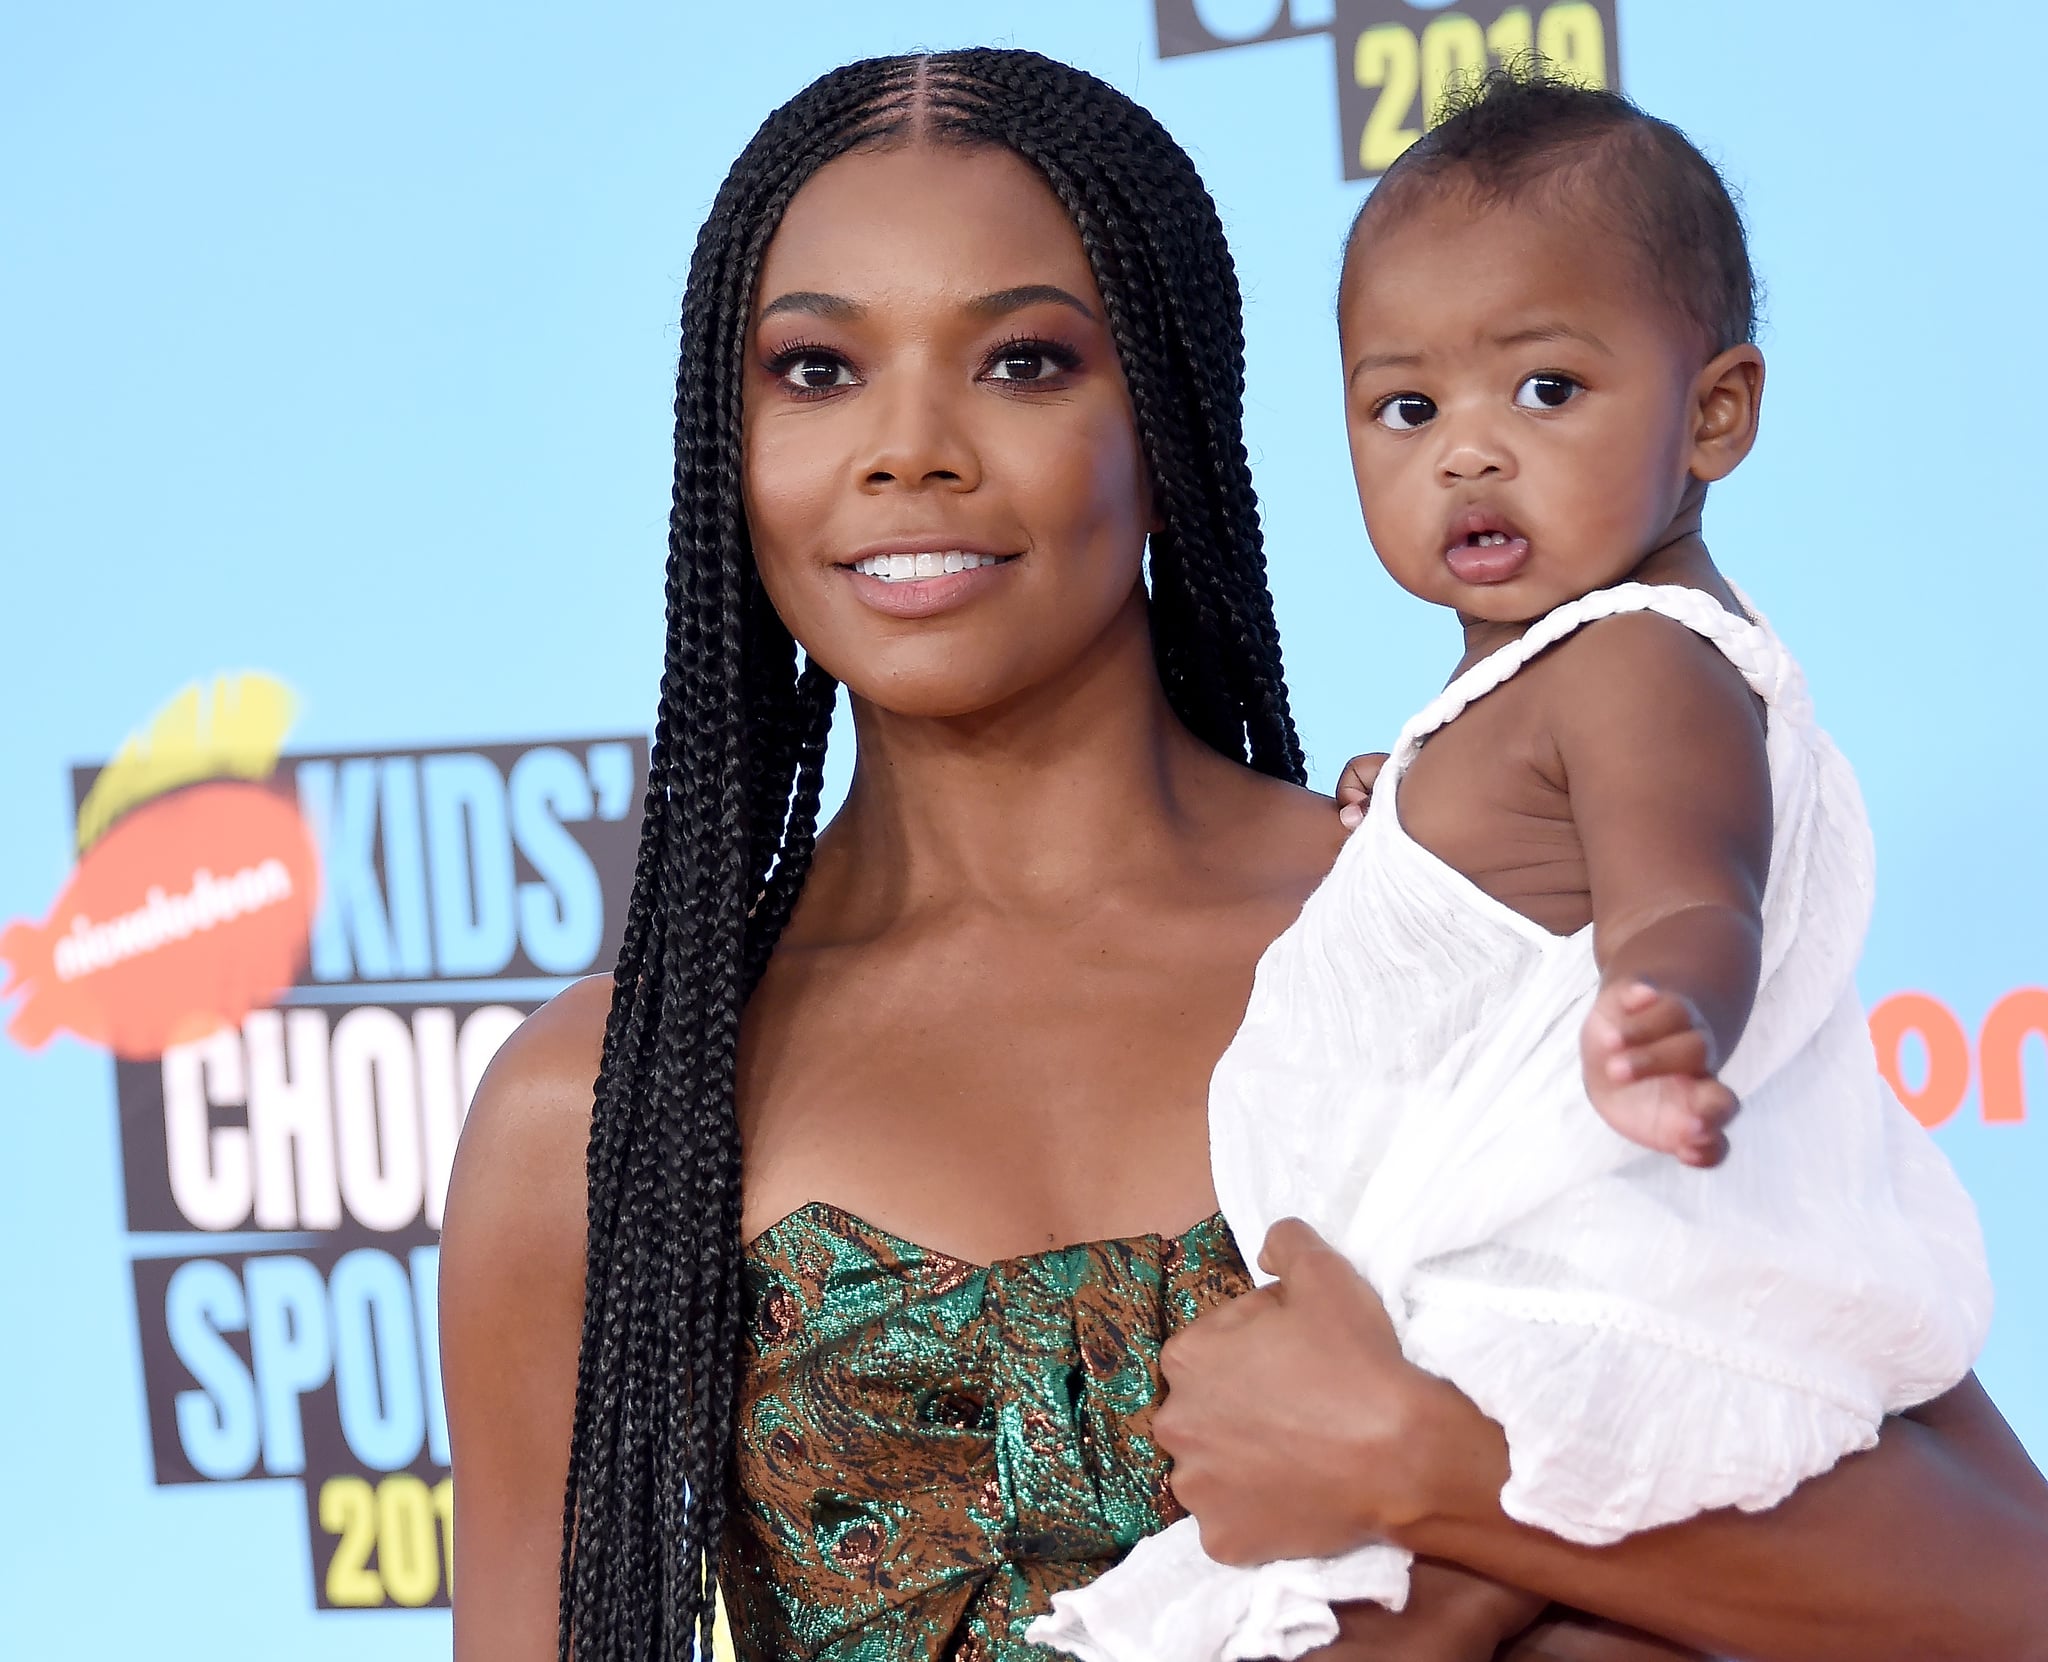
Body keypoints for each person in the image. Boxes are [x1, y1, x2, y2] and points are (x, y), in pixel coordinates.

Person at [438, 46, 2048, 1662]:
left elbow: (2007, 1591)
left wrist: (1439, 1473)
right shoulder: (600, 1107)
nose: (909, 448)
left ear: (1174, 417)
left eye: (1022, 361)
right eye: (813, 371)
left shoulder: (1459, 944)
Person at [1035, 70, 1992, 1662]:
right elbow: (1517, 865)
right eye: (1407, 410)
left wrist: (1664, 1010)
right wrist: (1401, 805)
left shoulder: (1642, 662)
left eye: (1546, 391)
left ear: (1715, 413)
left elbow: (1693, 883)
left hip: (1586, 1276)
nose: (1469, 455)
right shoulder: (1529, 692)